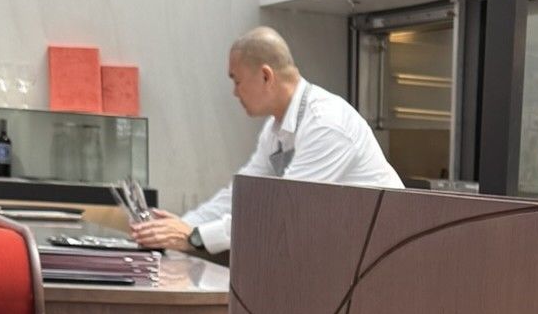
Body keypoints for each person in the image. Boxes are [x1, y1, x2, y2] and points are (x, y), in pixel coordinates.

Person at [132, 26, 402, 254]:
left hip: (386, 258)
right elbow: (243, 196)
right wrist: (175, 228)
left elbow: (283, 213)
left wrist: (195, 236)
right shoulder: (275, 129)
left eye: (236, 81)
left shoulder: (326, 123)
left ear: (265, 75)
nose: (234, 93)